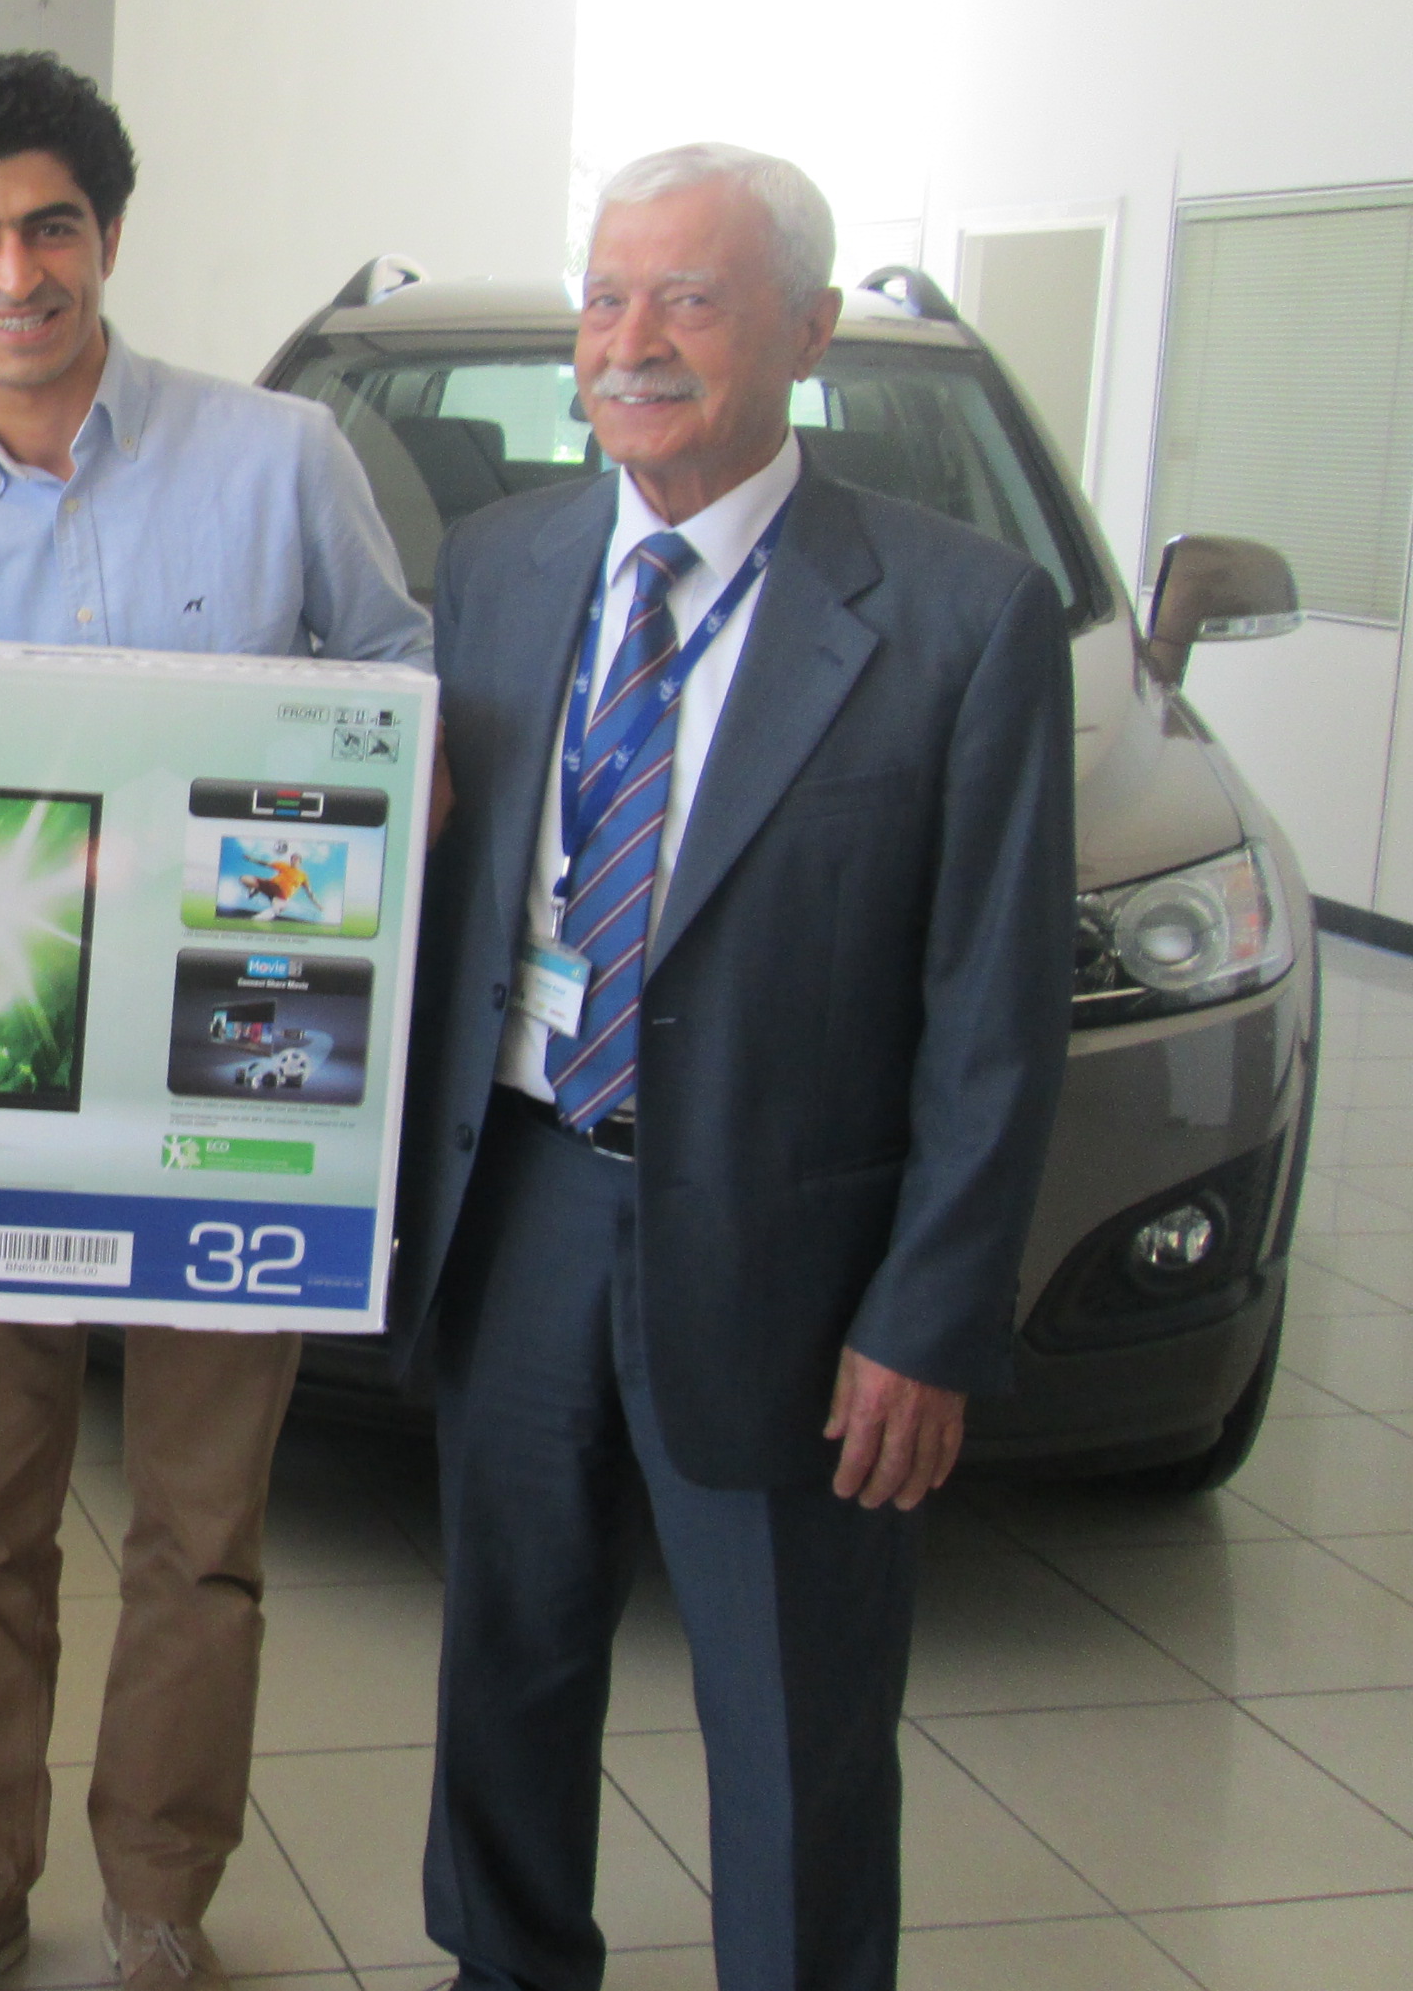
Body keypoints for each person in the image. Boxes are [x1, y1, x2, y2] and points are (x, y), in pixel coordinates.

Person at [396, 145, 1073, 1991]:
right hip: (524, 1200)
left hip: (797, 1262)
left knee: (794, 1719)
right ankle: (505, 1965)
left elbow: (996, 1013)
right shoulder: (503, 566)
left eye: (689, 299)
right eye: (606, 299)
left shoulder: (962, 619)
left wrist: (929, 1314)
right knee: (506, 1668)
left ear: (807, 328)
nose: (634, 342)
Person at [0, 52, 432, 1991]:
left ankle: (161, 1899)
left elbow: (402, 695)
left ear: (108, 235)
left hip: (245, 1068)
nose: (16, 273)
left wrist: (345, 828)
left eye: (51, 227)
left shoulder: (281, 461)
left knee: (201, 1524)